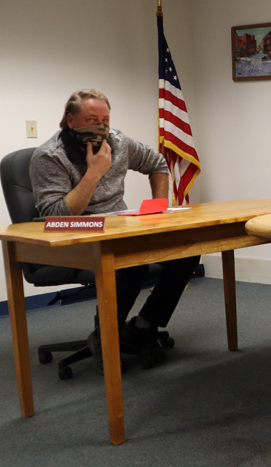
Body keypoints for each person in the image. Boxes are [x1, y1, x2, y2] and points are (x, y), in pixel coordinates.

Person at [30, 89, 200, 374]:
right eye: (91, 119)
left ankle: (143, 325)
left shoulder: (118, 141)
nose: (101, 127)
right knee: (130, 266)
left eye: (105, 120)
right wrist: (94, 172)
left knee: (187, 250)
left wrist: (159, 208)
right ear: (71, 121)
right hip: (72, 238)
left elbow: (157, 164)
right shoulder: (49, 156)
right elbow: (56, 215)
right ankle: (105, 338)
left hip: (119, 228)